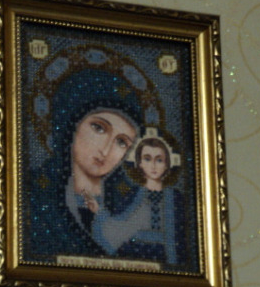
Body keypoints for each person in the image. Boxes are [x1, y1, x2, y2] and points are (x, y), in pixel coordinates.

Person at [24, 67, 144, 263]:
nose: (106, 150)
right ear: (72, 123)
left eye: (122, 142)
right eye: (99, 128)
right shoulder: (33, 194)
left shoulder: (131, 205)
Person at [90, 130, 190, 270]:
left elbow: (181, 235)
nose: (153, 165)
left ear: (167, 164)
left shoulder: (175, 198)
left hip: (167, 258)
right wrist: (100, 213)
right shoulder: (133, 195)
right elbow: (120, 226)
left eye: (159, 160)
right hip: (136, 256)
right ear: (140, 163)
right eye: (147, 159)